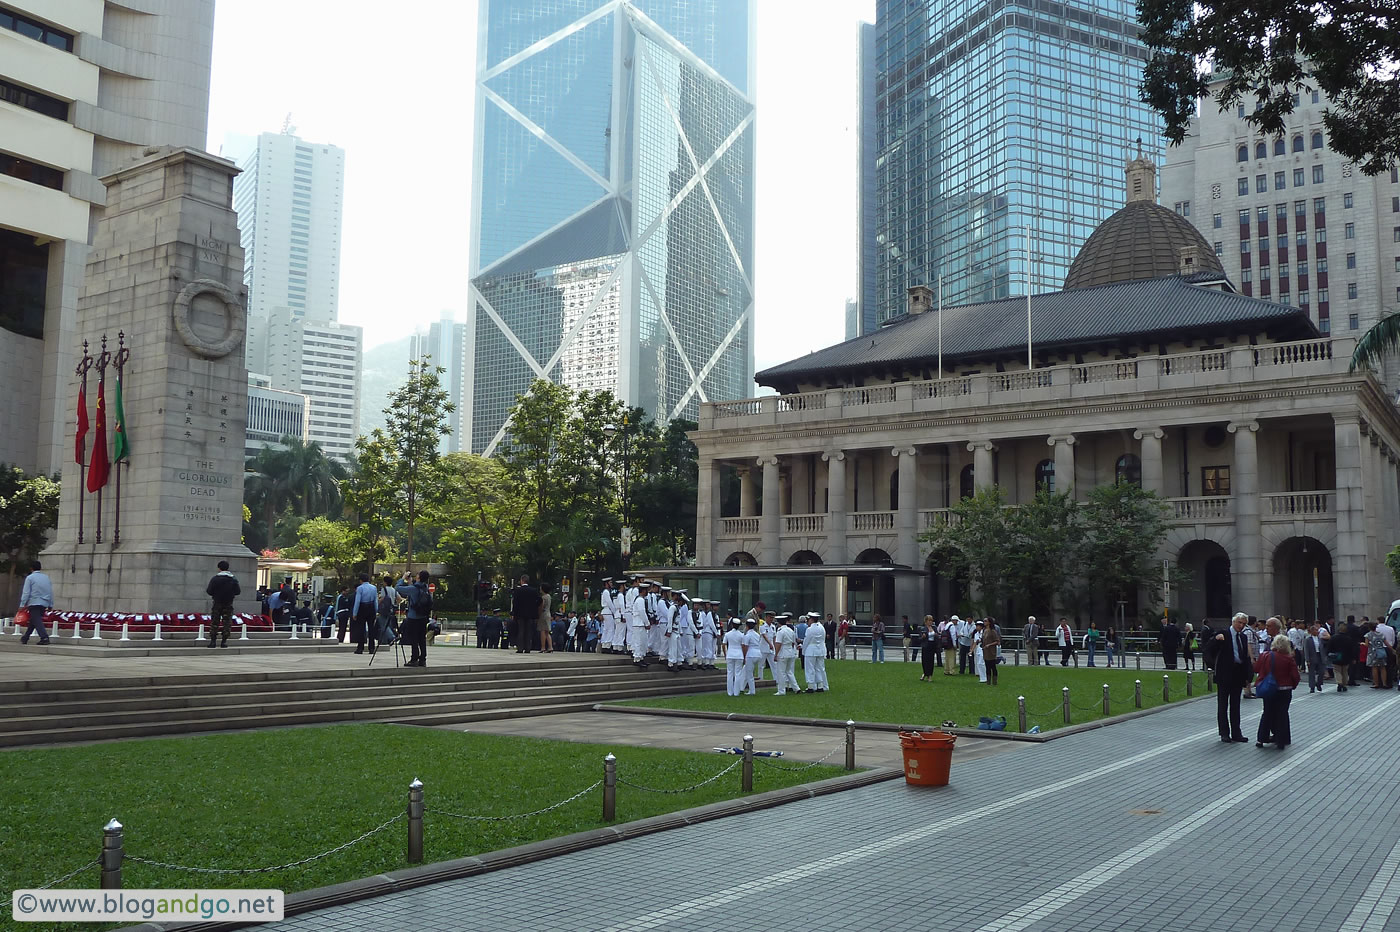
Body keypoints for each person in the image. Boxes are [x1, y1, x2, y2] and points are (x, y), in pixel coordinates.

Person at [1206, 612, 1253, 743]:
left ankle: (1236, 732)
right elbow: (1208, 649)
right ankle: (1224, 733)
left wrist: (1248, 675)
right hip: (1224, 674)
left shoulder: (1243, 637)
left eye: (1244, 624)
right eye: (1239, 622)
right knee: (1223, 705)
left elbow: (1245, 657)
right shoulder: (1223, 634)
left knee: (1235, 705)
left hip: (1238, 674)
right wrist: (1216, 640)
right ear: (1233, 622)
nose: (1241, 626)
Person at [1255, 634, 1301, 749]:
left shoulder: (1265, 656)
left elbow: (1256, 668)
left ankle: (1261, 739)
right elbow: (1295, 676)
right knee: (1282, 714)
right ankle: (1280, 741)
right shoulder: (1288, 659)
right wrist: (1293, 685)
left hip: (1269, 689)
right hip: (1284, 690)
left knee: (1267, 713)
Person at [395, 570, 433, 667]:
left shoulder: (413, 589)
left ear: (419, 577)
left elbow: (398, 588)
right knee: (422, 639)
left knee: (414, 639)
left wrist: (403, 578)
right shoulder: (426, 588)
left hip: (413, 617)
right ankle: (422, 659)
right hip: (423, 617)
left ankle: (414, 659)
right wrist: (410, 582)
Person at [204, 559, 241, 650]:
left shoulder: (215, 579)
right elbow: (238, 591)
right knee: (227, 622)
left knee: (215, 622)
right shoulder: (233, 579)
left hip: (217, 603)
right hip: (228, 603)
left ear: (219, 568)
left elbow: (209, 591)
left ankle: (213, 642)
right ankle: (224, 642)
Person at [18, 560, 53, 646]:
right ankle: (25, 637)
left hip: (34, 602)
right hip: (44, 602)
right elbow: (50, 591)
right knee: (34, 620)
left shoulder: (30, 578)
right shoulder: (46, 578)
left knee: (36, 620)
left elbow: (26, 592)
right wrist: (50, 604)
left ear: (31, 568)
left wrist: (22, 604)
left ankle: (44, 637)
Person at [510, 575, 542, 654]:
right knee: (528, 631)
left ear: (522, 580)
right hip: (530, 614)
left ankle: (520, 648)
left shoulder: (518, 590)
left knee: (521, 630)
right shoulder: (533, 590)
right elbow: (540, 600)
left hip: (520, 614)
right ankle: (528, 648)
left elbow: (515, 603)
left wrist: (513, 613)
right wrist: (534, 607)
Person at [349, 573, 378, 655]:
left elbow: (357, 601)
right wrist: (376, 610)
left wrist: (355, 613)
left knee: (361, 628)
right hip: (371, 607)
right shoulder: (373, 588)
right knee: (371, 628)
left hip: (362, 607)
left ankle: (360, 648)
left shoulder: (360, 588)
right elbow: (375, 600)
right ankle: (371, 648)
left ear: (361, 580)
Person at [773, 614, 799, 695]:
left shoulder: (780, 631)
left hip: (783, 652)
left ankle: (781, 690)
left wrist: (776, 654)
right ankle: (796, 688)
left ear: (779, 623)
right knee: (789, 672)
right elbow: (793, 642)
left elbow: (778, 644)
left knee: (781, 672)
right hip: (790, 652)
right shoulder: (790, 630)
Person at [803, 612, 829, 692]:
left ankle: (811, 686)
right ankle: (820, 685)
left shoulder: (809, 629)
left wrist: (803, 651)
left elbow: (806, 641)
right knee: (819, 668)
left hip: (811, 650)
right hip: (820, 650)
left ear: (811, 619)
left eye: (808, 620)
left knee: (810, 668)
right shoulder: (821, 627)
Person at [1330, 620, 1357, 691]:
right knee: (1345, 671)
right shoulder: (1349, 638)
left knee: (1337, 670)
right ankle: (1344, 684)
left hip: (1336, 656)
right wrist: (1353, 658)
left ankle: (1339, 682)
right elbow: (1352, 649)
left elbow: (1329, 647)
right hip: (1346, 657)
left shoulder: (1334, 637)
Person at [724, 620, 747, 696]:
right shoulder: (741, 635)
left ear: (732, 625)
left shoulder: (728, 634)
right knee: (738, 674)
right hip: (739, 655)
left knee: (730, 673)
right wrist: (744, 656)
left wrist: (725, 654)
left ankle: (730, 692)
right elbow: (743, 646)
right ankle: (736, 692)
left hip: (730, 654)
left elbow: (724, 644)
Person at [1303, 622, 1327, 692]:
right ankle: (1312, 687)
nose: (1317, 631)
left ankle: (1319, 683)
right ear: (1312, 631)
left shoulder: (1320, 639)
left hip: (1320, 656)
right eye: (1316, 630)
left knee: (1321, 671)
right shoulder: (1308, 639)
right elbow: (1306, 650)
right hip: (1312, 656)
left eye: (1317, 630)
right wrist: (1307, 659)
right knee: (1312, 673)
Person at [1366, 622, 1391, 689]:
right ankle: (1384, 683)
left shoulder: (1368, 635)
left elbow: (1366, 645)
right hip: (1381, 652)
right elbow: (1386, 643)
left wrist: (1363, 644)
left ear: (1369, 627)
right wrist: (1392, 649)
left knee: (1374, 668)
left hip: (1373, 653)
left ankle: (1376, 683)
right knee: (1383, 668)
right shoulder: (1381, 634)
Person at [742, 619, 764, 694]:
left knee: (749, 674)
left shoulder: (747, 635)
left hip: (751, 655)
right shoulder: (757, 634)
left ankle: (752, 691)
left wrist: (744, 657)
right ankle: (742, 687)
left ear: (747, 626)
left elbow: (745, 647)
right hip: (758, 654)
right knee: (749, 671)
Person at [599, 578, 620, 654]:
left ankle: (605, 644)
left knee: (606, 629)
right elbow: (609, 602)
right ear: (606, 584)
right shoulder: (606, 592)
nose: (611, 584)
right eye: (610, 582)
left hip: (606, 611)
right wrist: (614, 612)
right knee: (610, 629)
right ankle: (607, 645)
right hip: (608, 611)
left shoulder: (605, 592)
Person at [982, 617, 1002, 685]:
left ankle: (994, 681)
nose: (984, 622)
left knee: (993, 666)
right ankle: (988, 681)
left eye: (985, 621)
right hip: (985, 651)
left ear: (989, 622)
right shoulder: (984, 630)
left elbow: (997, 641)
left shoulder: (993, 631)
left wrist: (989, 645)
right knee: (987, 666)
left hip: (991, 651)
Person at [919, 616, 938, 682]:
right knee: (925, 661)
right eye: (929, 620)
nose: (930, 622)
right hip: (926, 646)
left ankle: (929, 675)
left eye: (931, 620)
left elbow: (937, 636)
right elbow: (919, 639)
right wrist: (923, 637)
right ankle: (925, 673)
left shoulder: (934, 628)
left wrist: (936, 635)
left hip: (932, 645)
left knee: (931, 661)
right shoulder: (923, 628)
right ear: (926, 621)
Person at [537, 584, 554, 653]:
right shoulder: (549, 596)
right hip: (548, 613)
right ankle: (550, 647)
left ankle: (543, 647)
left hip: (543, 614)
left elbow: (542, 606)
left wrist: (538, 614)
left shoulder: (543, 597)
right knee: (547, 632)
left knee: (542, 630)